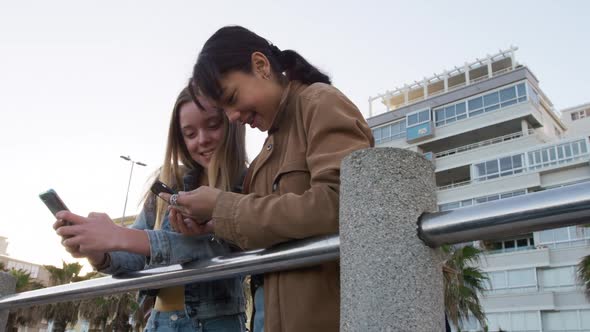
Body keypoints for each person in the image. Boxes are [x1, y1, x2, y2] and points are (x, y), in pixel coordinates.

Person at [162, 26, 374, 332]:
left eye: (232, 98)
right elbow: (275, 227)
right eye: (225, 110)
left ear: (261, 66)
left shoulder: (319, 102)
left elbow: (342, 204)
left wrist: (222, 205)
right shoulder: (266, 152)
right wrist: (211, 224)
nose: (233, 117)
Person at [54, 87, 248, 332]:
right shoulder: (168, 181)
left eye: (212, 125)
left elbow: (224, 251)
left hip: (216, 323)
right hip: (158, 322)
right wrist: (98, 252)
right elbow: (135, 258)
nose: (201, 139)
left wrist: (120, 235)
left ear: (231, 123)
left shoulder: (248, 181)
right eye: (189, 133)